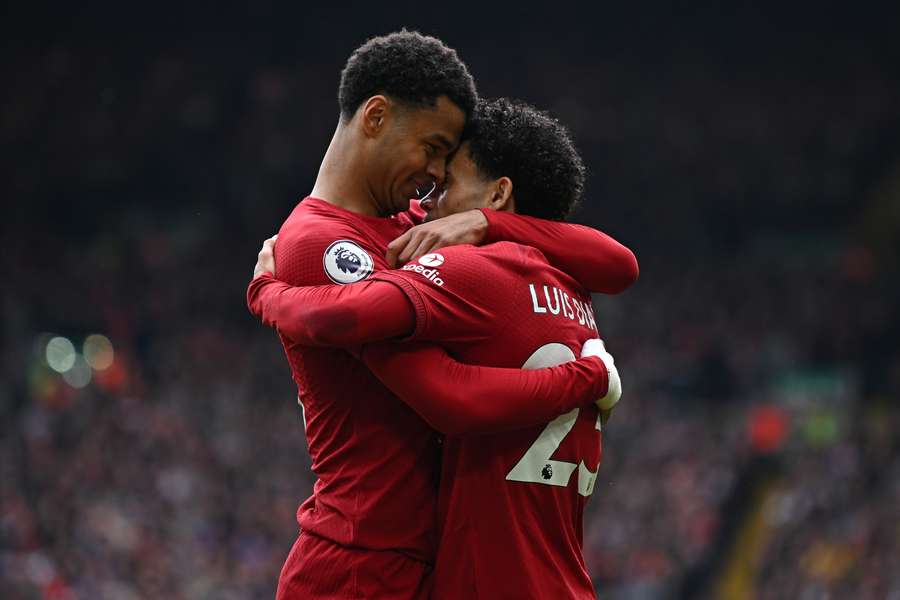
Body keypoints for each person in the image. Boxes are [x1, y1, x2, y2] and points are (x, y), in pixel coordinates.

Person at [261, 31, 637, 599]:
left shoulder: (416, 225)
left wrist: (492, 223)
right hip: (361, 564)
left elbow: (617, 264)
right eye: (433, 146)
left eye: (447, 158)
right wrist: (267, 294)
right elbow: (444, 396)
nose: (436, 173)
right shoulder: (320, 243)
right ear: (377, 117)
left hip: (429, 565)